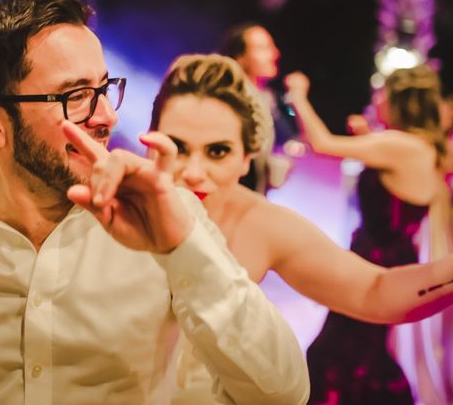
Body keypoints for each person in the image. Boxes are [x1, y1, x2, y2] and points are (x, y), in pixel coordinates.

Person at [0, 0, 310, 405]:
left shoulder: (167, 218)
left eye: (103, 88)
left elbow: (283, 392)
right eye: (74, 95)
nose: (108, 117)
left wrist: (184, 250)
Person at [147, 53, 453, 404]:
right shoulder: (105, 210)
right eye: (177, 147)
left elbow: (374, 290)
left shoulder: (260, 222)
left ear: (247, 157)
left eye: (218, 152)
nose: (194, 172)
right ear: (149, 140)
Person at [285, 64, 448, 404]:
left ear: (400, 101)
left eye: (382, 94)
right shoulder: (421, 147)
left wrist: (298, 95)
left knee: (337, 356)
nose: (377, 100)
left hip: (376, 265)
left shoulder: (398, 145)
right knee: (358, 352)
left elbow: (322, 143)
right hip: (392, 259)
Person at [218, 23, 298, 193]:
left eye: (272, 47)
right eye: (263, 48)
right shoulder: (231, 100)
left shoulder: (265, 98)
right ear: (240, 57)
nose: (275, 54)